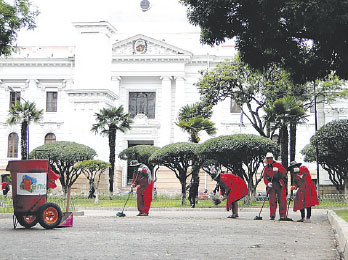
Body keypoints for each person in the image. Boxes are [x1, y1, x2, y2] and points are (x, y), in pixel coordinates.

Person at [263, 152, 291, 221]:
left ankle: (282, 216)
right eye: (268, 159)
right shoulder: (266, 168)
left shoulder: (278, 165)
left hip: (279, 184)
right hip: (271, 185)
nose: (269, 160)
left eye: (270, 158)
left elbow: (284, 173)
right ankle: (272, 215)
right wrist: (267, 183)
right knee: (272, 201)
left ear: (272, 159)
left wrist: (278, 171)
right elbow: (265, 177)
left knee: (282, 200)